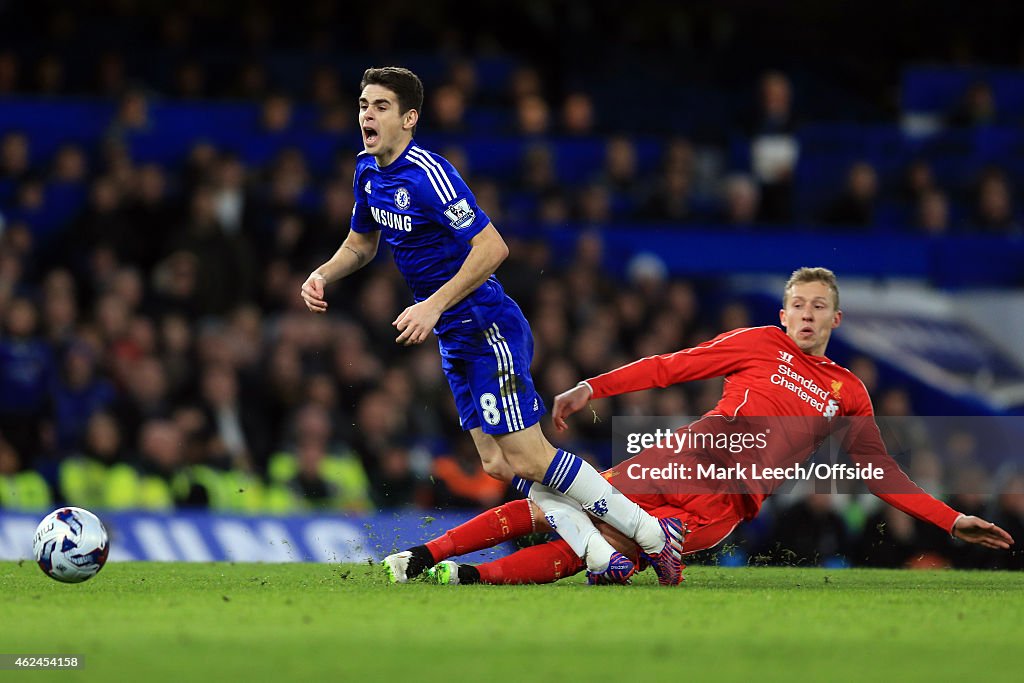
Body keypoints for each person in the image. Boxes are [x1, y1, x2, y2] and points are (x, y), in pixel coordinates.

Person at [299, 66, 683, 585]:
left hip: (485, 324)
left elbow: (493, 247)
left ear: (410, 118)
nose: (367, 113)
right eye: (364, 104)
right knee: (499, 465)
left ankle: (650, 534)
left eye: (381, 106)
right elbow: (361, 243)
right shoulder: (367, 171)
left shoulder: (428, 173)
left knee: (529, 455)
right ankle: (598, 551)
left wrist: (432, 305)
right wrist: (323, 273)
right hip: (453, 335)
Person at [401, 267, 1013, 584]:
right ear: (782, 311)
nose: (805, 314)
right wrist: (594, 386)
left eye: (817, 306)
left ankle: (468, 578)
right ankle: (424, 553)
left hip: (723, 503)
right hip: (683, 455)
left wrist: (950, 519)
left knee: (607, 551)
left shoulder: (848, 392)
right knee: (557, 502)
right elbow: (672, 367)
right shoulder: (758, 341)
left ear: (836, 317)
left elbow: (880, 473)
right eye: (797, 304)